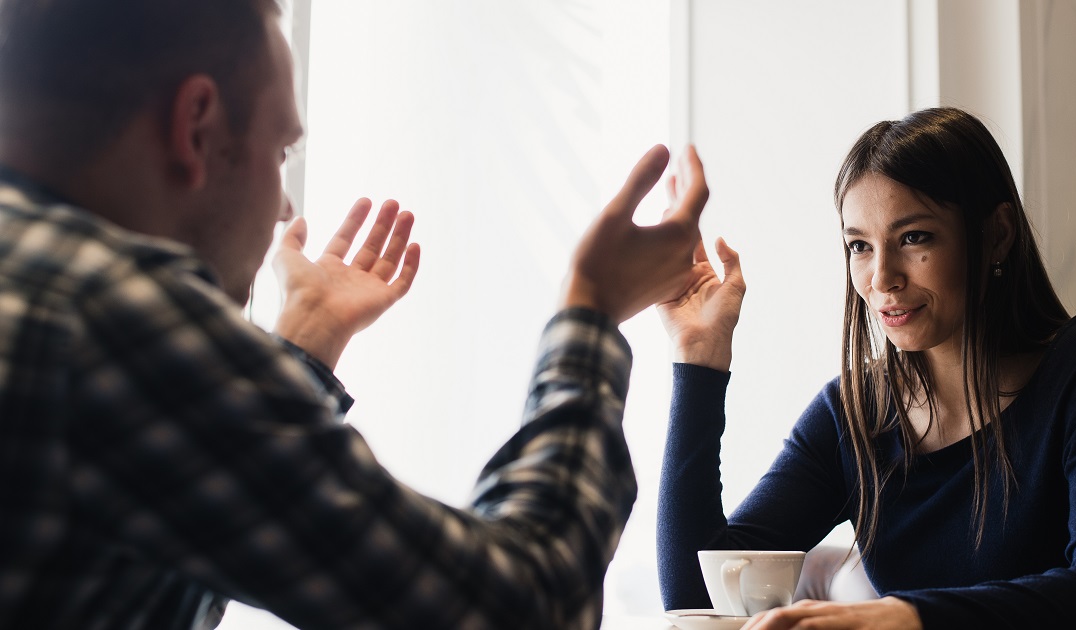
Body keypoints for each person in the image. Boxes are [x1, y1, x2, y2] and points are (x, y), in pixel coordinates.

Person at [0, 1, 710, 628]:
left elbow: (152, 578)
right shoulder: (112, 315)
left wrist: (303, 349)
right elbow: (524, 605)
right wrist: (591, 310)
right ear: (195, 125)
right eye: (282, 150)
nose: (283, 205)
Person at [655, 107, 1076, 629]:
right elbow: (697, 593)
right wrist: (699, 361)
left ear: (998, 234)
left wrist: (906, 618)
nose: (881, 278)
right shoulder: (853, 414)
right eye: (859, 246)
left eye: (915, 237)